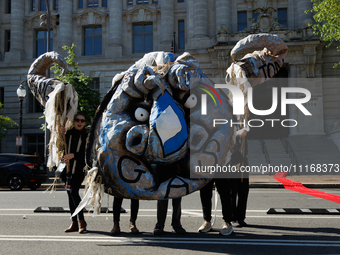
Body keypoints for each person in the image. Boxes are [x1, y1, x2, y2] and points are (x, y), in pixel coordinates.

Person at [63, 114, 88, 234]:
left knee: (74, 192)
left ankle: (81, 221)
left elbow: (87, 154)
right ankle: (73, 222)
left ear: (84, 123)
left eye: (82, 121)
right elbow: (61, 147)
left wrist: (73, 155)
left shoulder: (87, 136)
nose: (79, 122)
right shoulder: (68, 133)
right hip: (67, 169)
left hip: (79, 169)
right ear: (74, 121)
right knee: (69, 195)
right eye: (77, 120)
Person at [230, 109, 250, 228]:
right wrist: (238, 134)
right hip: (232, 160)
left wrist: (246, 129)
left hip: (243, 159)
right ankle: (232, 217)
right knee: (233, 190)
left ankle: (241, 217)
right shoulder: (229, 119)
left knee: (244, 190)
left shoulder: (245, 120)